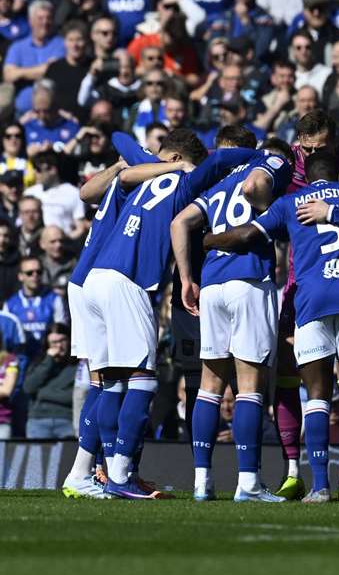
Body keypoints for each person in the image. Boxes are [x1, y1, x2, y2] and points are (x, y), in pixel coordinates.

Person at [206, 148, 339, 503]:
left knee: (318, 395)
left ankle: (320, 484)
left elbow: (247, 235)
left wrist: (210, 240)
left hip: (311, 303)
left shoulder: (292, 201)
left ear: (306, 174)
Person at [80, 128, 254, 499]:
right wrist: (266, 161)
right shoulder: (187, 179)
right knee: (144, 380)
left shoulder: (144, 178)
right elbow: (222, 159)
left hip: (94, 278)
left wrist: (157, 163)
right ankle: (121, 476)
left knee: (111, 380)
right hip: (129, 281)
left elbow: (122, 139)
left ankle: (110, 472)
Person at [170, 130, 294, 503]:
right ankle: (248, 483)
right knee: (249, 386)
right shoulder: (271, 162)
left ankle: (201, 481)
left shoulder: (219, 183)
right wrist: (264, 201)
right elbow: (256, 184)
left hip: (211, 285)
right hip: (248, 281)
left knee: (210, 385)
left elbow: (180, 223)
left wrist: (187, 278)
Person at [22, 323, 76, 440]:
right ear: (47, 344)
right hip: (38, 420)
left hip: (67, 419)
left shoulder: (77, 366)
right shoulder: (38, 363)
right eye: (54, 342)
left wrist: (42, 394)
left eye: (62, 341)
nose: (59, 346)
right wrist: (48, 361)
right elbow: (28, 388)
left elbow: (74, 396)